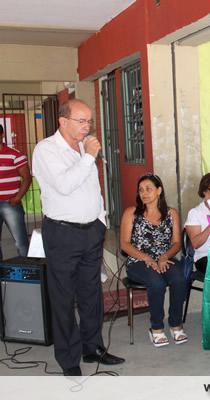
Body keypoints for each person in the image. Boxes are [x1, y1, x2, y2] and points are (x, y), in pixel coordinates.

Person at [32, 99, 124, 376]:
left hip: (91, 231)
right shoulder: (46, 150)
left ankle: (92, 347)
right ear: (63, 121)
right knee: (63, 296)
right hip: (62, 232)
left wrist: (100, 220)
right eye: (81, 121)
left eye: (89, 121)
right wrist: (88, 157)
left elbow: (92, 189)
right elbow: (64, 185)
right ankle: (69, 359)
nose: (87, 126)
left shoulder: (85, 147)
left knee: (91, 293)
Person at [120, 174, 187, 347]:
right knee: (156, 282)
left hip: (164, 258)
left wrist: (164, 257)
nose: (144, 193)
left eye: (148, 189)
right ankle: (156, 327)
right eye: (141, 190)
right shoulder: (131, 213)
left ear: (159, 190)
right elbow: (124, 244)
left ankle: (176, 324)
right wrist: (147, 258)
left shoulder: (171, 213)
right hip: (138, 261)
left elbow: (177, 243)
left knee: (179, 278)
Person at [0, 123, 31, 260]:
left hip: (10, 204)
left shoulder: (15, 155)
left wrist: (18, 197)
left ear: (2, 135)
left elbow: (27, 178)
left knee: (21, 242)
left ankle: (28, 270)